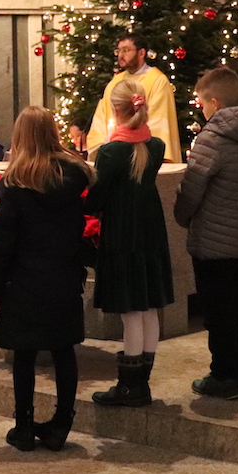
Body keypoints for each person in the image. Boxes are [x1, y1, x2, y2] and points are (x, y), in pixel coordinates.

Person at [0, 106, 95, 452]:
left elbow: (0, 242)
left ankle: (24, 426)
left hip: (24, 280)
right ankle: (61, 424)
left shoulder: (15, 182)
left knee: (24, 353)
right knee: (63, 350)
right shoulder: (73, 178)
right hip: (63, 275)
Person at [173, 67, 238, 399]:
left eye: (201, 102)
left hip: (213, 240)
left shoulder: (212, 138)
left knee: (218, 312)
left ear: (214, 102)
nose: (201, 108)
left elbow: (192, 188)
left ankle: (223, 376)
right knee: (234, 308)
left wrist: (181, 214)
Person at [87, 81, 172, 407]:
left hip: (124, 232)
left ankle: (129, 387)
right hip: (150, 232)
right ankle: (141, 383)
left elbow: (96, 199)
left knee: (130, 312)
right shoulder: (157, 146)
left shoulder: (112, 153)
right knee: (148, 307)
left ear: (115, 110)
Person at [86, 33, 180, 163]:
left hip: (141, 155)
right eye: (118, 51)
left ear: (141, 53)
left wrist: (127, 143)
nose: (120, 55)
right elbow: (101, 119)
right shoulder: (115, 82)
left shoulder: (158, 81)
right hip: (114, 154)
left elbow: (159, 124)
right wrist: (107, 145)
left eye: (126, 50)